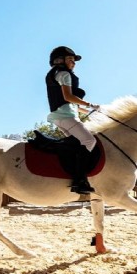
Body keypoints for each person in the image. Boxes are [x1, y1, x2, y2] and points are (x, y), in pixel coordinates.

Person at [45, 46, 100, 194]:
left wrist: (90, 111)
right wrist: (90, 104)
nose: (73, 63)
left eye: (74, 61)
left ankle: (71, 174)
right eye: (70, 59)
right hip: (66, 117)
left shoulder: (55, 74)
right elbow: (68, 97)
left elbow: (70, 104)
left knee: (76, 146)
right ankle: (79, 181)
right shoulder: (64, 74)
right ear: (59, 60)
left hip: (61, 117)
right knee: (90, 141)